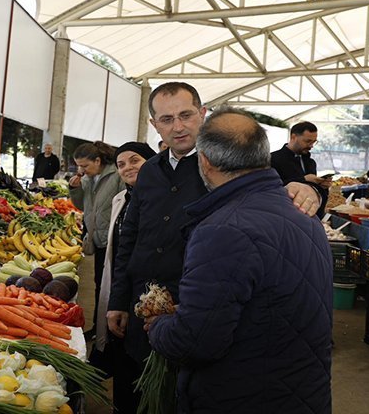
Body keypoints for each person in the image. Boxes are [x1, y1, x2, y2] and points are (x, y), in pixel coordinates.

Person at [107, 82, 321, 413]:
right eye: (166, 119)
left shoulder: (227, 166)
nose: (177, 127)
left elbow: (273, 193)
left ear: (203, 114)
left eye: (186, 115)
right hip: (145, 308)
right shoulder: (149, 171)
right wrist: (118, 301)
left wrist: (307, 191)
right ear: (154, 124)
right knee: (139, 394)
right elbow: (130, 238)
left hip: (199, 314)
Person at [91, 141, 156, 411]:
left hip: (146, 294)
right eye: (121, 164)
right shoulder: (123, 198)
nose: (127, 167)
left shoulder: (159, 199)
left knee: (141, 362)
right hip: (121, 287)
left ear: (151, 162)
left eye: (135, 160)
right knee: (122, 360)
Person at [69, 141, 126, 332]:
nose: (81, 169)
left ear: (98, 160)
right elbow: (82, 207)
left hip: (113, 239)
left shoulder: (116, 175)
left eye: (85, 165)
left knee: (109, 285)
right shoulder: (87, 179)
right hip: (97, 238)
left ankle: (107, 329)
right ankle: (97, 326)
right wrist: (75, 189)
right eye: (78, 165)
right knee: (98, 285)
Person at [270, 121, 330, 216]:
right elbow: (270, 188)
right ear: (293, 137)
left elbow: (314, 192)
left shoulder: (310, 162)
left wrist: (322, 186)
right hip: (282, 214)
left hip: (308, 214)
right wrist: (304, 180)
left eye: (314, 142)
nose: (311, 146)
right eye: (307, 141)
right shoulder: (273, 159)